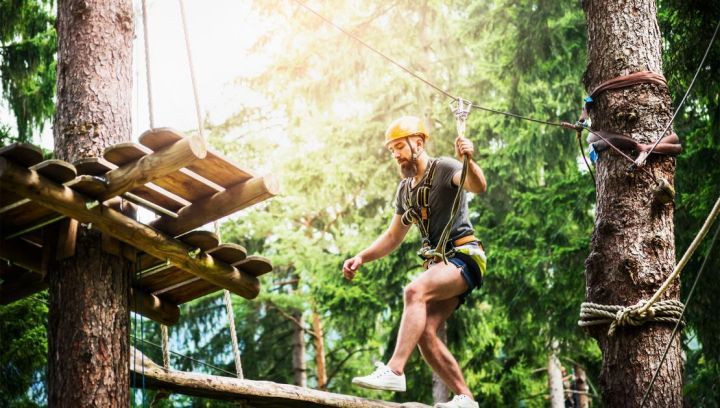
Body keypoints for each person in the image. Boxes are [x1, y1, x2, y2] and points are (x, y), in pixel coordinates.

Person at [342, 116, 487, 408]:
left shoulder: (445, 168)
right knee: (424, 332)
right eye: (392, 150)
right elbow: (393, 236)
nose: (395, 154)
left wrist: (469, 159)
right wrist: (361, 256)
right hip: (441, 265)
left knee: (413, 291)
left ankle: (394, 370)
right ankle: (466, 399)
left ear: (418, 143)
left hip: (465, 256)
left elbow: (477, 185)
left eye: (399, 147)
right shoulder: (405, 190)